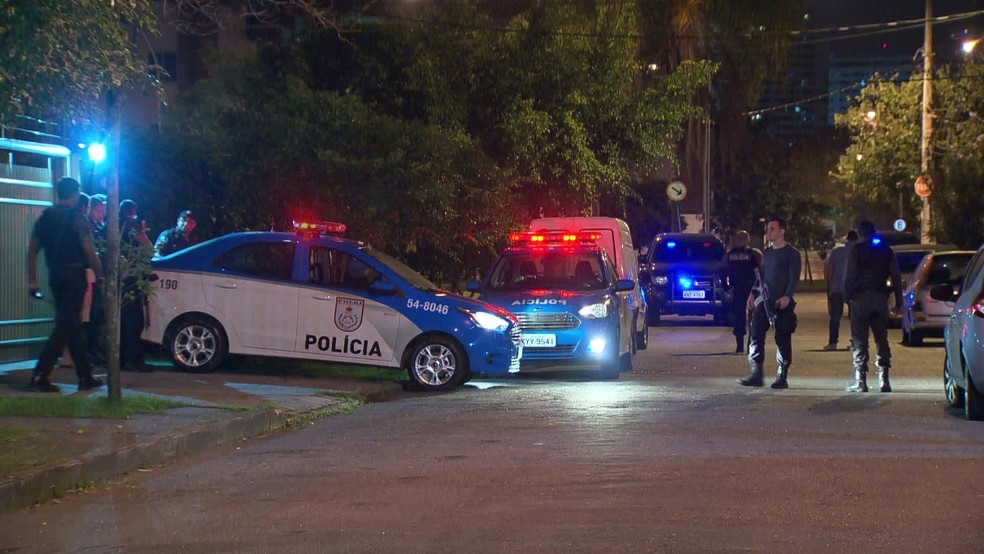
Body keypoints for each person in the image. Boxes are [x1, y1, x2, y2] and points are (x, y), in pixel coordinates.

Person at [26, 177, 105, 392]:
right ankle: (40, 374)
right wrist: (101, 276)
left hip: (55, 274)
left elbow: (32, 250)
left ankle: (85, 375)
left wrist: (32, 279)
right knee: (66, 325)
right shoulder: (77, 218)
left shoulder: (45, 217)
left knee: (73, 324)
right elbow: (89, 250)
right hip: (74, 274)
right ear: (76, 193)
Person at [739, 217, 801, 389]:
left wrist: (787, 297)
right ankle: (756, 374)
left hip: (782, 303)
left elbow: (793, 278)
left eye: (772, 228)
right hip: (764, 302)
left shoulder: (792, 254)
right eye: (768, 229)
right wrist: (753, 293)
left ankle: (782, 375)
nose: (769, 232)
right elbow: (762, 277)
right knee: (755, 335)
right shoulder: (767, 253)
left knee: (782, 338)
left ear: (782, 231)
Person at [843, 221, 903, 393]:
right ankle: (884, 379)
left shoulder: (856, 250)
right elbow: (896, 278)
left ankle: (860, 380)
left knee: (859, 340)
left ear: (860, 233)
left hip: (860, 299)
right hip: (880, 298)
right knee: (881, 339)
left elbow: (849, 276)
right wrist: (899, 302)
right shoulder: (886, 250)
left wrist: (848, 297)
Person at [119, 199, 154, 372]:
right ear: (133, 212)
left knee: (122, 320)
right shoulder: (131, 224)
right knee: (134, 320)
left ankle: (122, 359)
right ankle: (134, 359)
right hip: (131, 277)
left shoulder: (109, 225)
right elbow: (148, 247)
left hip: (117, 277)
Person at [721, 230, 761, 353]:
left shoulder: (730, 255)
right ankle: (750, 344)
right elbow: (760, 271)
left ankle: (740, 345)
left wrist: (726, 287)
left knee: (739, 316)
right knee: (752, 317)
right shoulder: (753, 254)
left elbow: (722, 271)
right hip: (751, 289)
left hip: (738, 288)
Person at [822, 230, 858, 351]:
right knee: (855, 317)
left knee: (835, 317)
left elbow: (830, 270)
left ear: (847, 239)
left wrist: (830, 286)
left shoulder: (837, 252)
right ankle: (856, 341)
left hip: (837, 288)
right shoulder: (859, 251)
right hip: (854, 289)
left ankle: (833, 342)